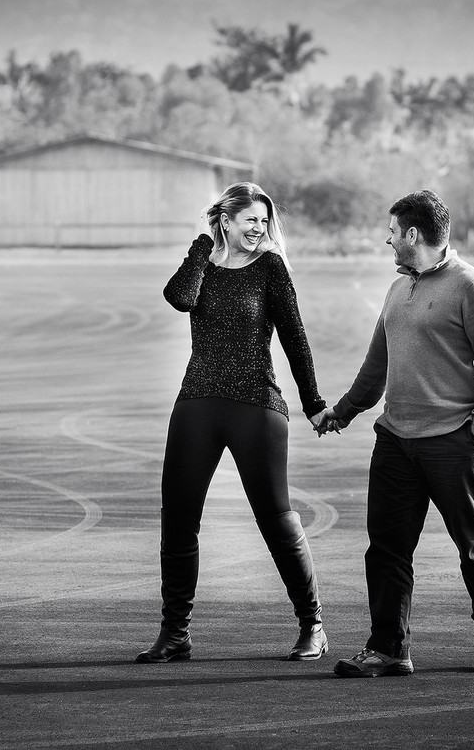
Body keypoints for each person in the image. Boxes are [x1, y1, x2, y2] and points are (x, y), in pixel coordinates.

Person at [322, 189, 474, 677]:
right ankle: (388, 648)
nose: (388, 241)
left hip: (452, 440)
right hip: (395, 440)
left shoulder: (473, 287)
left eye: (392, 233)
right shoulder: (397, 289)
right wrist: (343, 412)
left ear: (412, 234)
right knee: (385, 549)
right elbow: (376, 366)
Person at [136, 181, 331, 664]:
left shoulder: (270, 267)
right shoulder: (204, 262)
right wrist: (204, 245)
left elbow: (294, 337)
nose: (259, 229)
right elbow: (179, 297)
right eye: (250, 220)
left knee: (276, 519)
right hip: (198, 402)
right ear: (226, 220)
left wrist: (314, 403)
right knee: (178, 520)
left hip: (255, 405)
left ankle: (313, 625)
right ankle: (175, 634)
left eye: (265, 222)